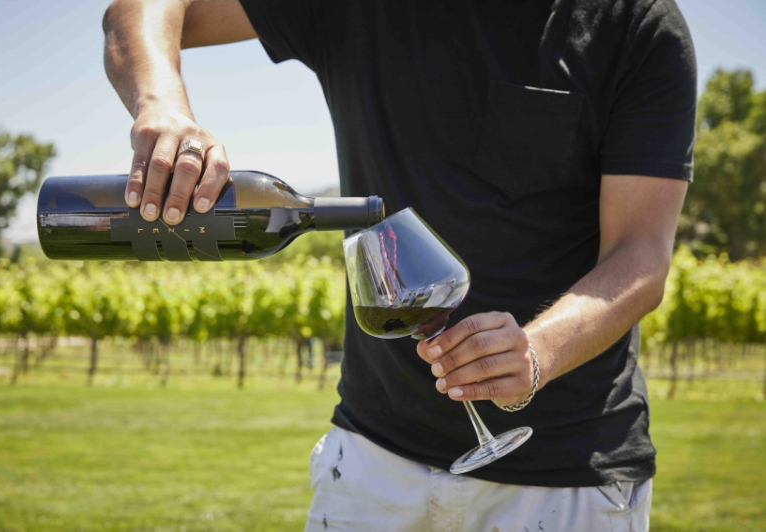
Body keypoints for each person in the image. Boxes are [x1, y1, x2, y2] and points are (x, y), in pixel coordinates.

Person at [102, 0, 696, 530]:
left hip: (567, 476)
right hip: (371, 464)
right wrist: (162, 104)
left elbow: (641, 255)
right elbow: (138, 9)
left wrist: (537, 351)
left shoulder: (636, 23)